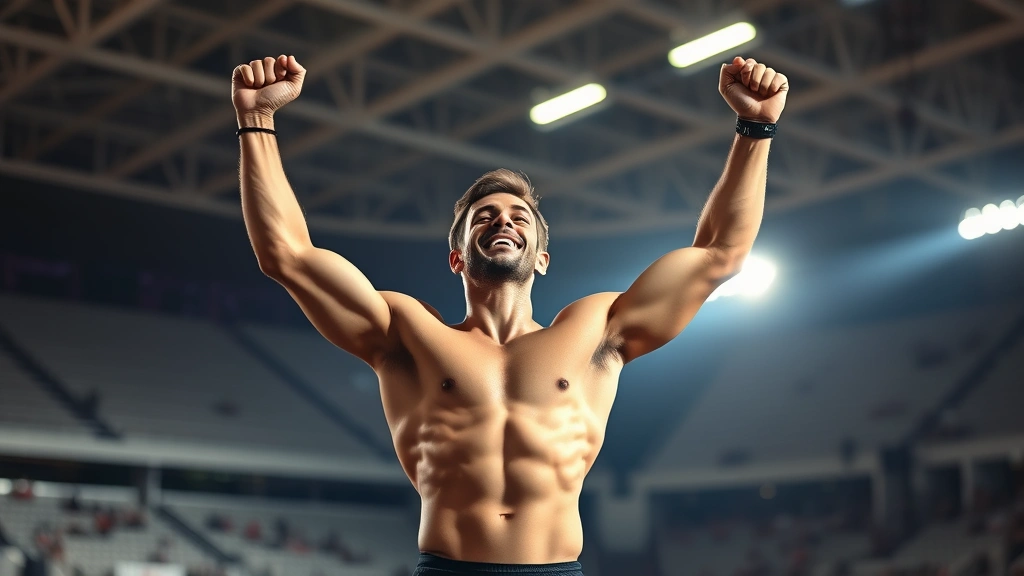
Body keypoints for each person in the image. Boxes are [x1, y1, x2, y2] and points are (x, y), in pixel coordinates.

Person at [232, 53, 788, 575]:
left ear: (542, 259)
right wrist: (256, 121)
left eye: (520, 217)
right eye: (485, 216)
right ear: (457, 257)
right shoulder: (407, 332)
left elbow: (720, 255)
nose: (504, 222)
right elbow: (287, 255)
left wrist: (755, 130)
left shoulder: (595, 329)